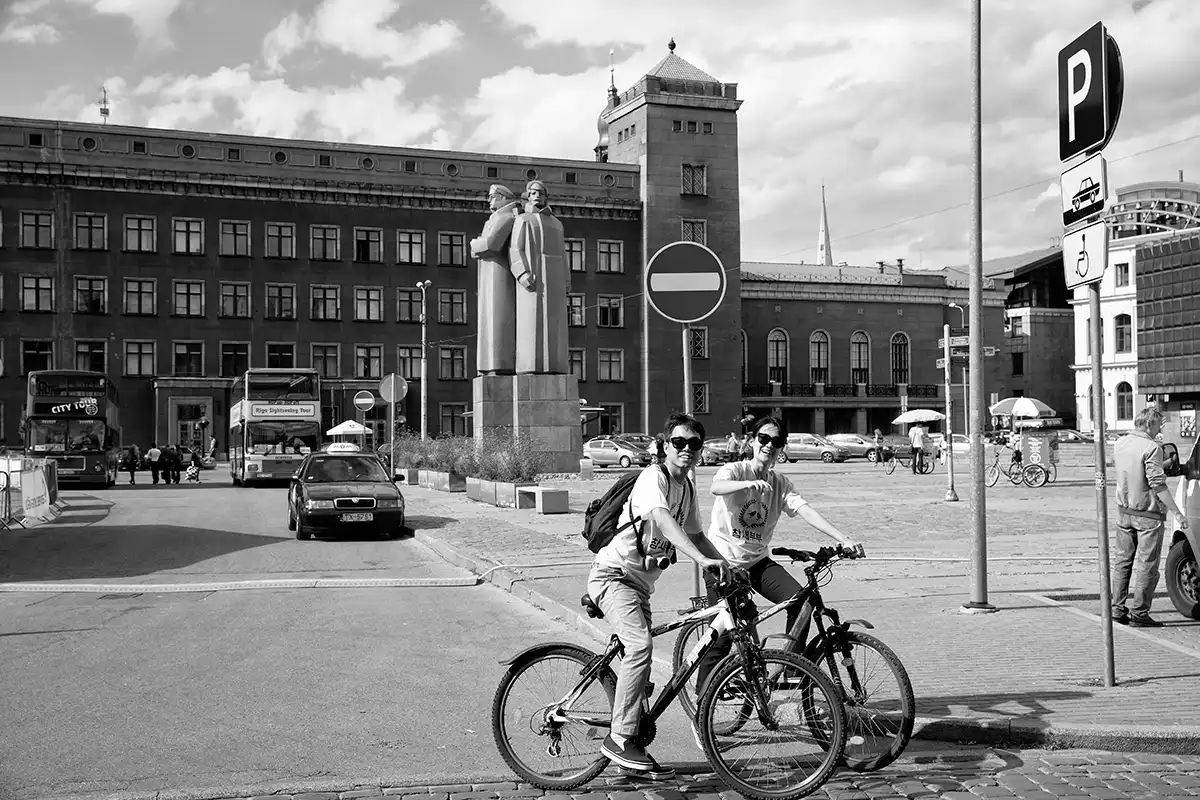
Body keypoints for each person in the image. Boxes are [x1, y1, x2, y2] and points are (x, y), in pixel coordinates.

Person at [587, 412, 731, 776]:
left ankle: (629, 744)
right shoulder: (655, 477)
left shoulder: (687, 487)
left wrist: (727, 564)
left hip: (640, 586)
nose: (686, 449)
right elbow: (662, 518)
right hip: (612, 577)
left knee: (642, 661)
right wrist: (699, 560)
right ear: (665, 446)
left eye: (693, 444)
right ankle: (619, 740)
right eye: (678, 443)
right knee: (639, 647)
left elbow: (697, 535)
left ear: (700, 451)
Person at [696, 416, 862, 729]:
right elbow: (716, 487)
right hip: (723, 561)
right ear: (751, 441)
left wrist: (842, 538)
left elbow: (804, 510)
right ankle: (702, 708)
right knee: (722, 637)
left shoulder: (779, 483)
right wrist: (746, 484)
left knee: (801, 601)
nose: (769, 446)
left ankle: (788, 668)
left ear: (781, 448)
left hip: (757, 561)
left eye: (776, 442)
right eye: (763, 438)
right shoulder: (737, 470)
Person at [1112, 407, 1187, 627]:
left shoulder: (1120, 443)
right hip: (1147, 514)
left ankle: (1117, 609)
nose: (1159, 429)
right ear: (1148, 424)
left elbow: (1135, 469)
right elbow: (1157, 485)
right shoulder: (1152, 447)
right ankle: (1140, 614)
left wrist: (1160, 467)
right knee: (1147, 565)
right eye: (1157, 425)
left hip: (1124, 512)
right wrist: (1177, 513)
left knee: (1123, 562)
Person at [509, 180, 569, 374]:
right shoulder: (523, 219)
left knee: (555, 326)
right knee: (531, 324)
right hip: (533, 277)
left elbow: (563, 252)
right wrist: (522, 273)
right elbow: (515, 248)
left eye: (541, 193)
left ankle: (556, 368)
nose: (538, 196)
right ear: (528, 194)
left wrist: (566, 279)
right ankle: (530, 368)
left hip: (555, 278)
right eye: (534, 192)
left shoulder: (557, 224)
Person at [472, 183, 521, 374]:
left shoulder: (506, 217)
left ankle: (498, 364)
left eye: (492, 196)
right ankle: (491, 365)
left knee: (496, 318)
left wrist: (474, 243)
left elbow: (491, 244)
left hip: (499, 276)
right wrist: (479, 246)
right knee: (489, 318)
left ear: (502, 197)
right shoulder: (495, 219)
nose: (489, 200)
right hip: (489, 274)